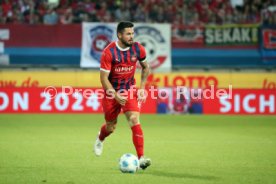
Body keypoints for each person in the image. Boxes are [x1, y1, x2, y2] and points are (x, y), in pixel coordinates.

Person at [93, 21, 151, 170]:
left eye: (133, 33)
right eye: (128, 34)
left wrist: (142, 88)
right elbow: (103, 78)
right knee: (111, 127)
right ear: (119, 35)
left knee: (133, 118)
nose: (132, 37)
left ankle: (141, 158)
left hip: (129, 89)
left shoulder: (138, 48)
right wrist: (115, 95)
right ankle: (100, 137)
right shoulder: (109, 52)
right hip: (111, 92)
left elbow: (146, 68)